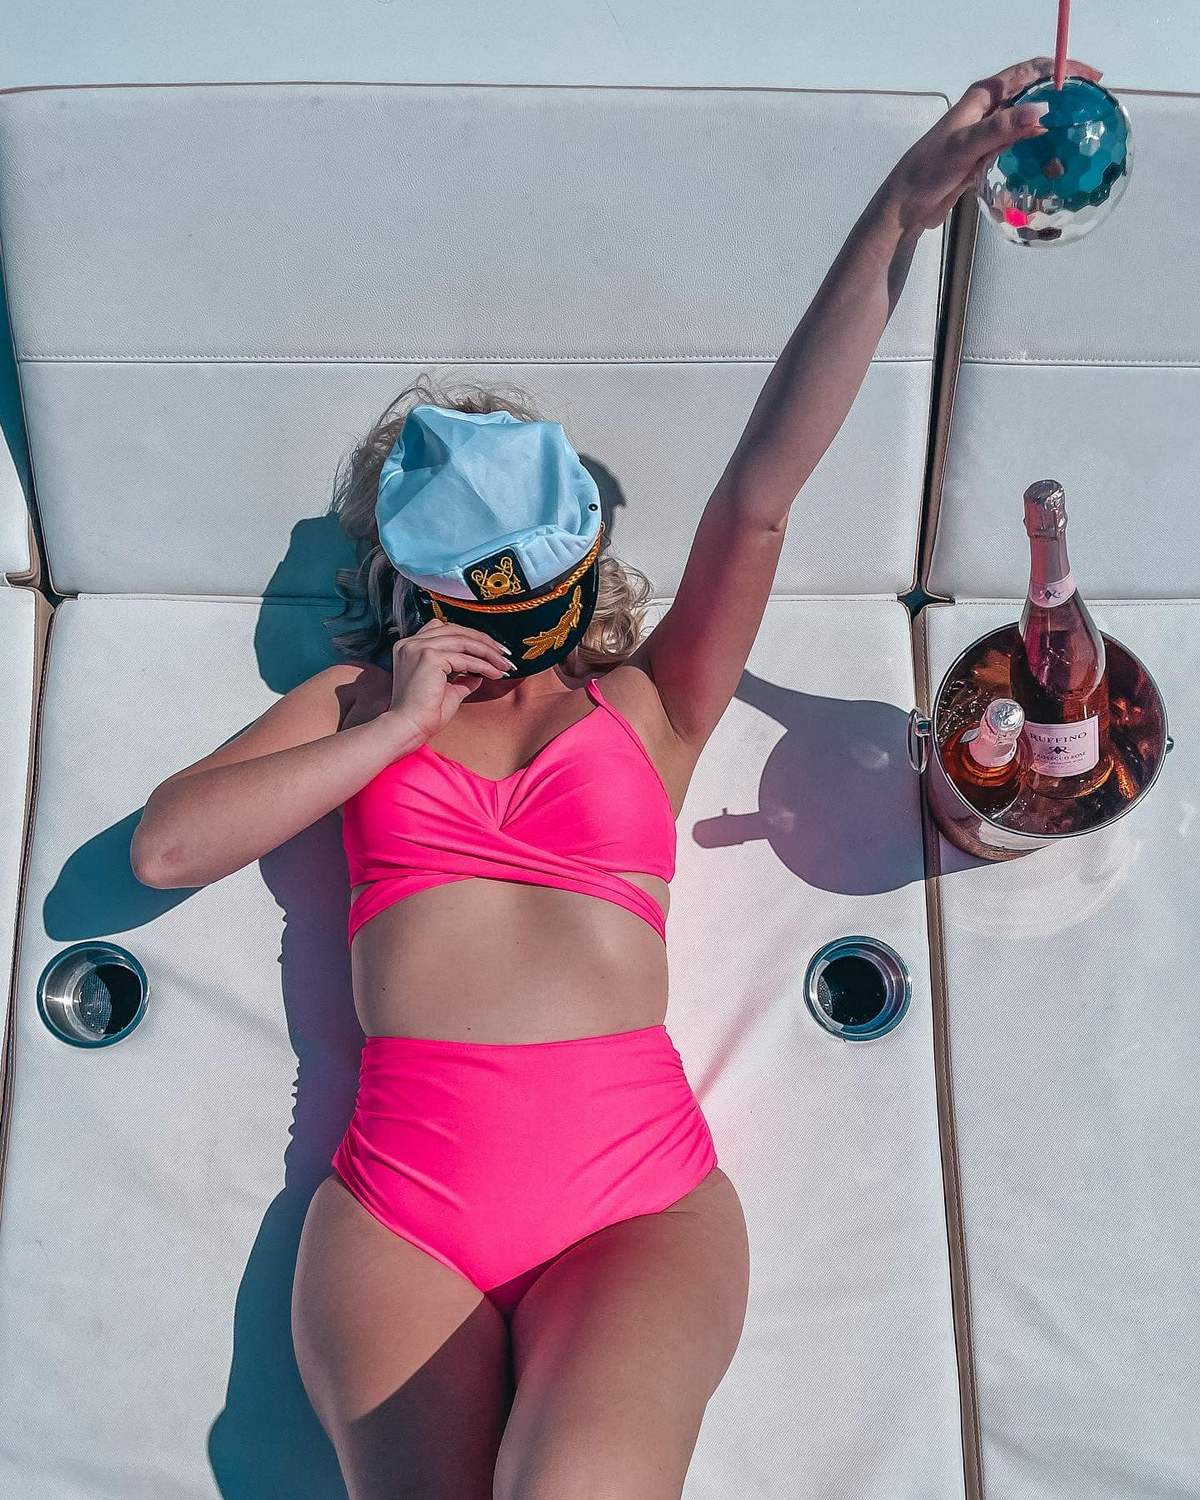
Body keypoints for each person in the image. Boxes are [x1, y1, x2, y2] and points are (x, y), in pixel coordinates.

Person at [129, 54, 1101, 1500]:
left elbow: (763, 491)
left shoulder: (649, 702)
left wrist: (898, 216)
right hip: (404, 1214)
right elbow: (165, 849)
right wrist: (387, 732)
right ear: (408, 591)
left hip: (631, 1199)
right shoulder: (348, 706)